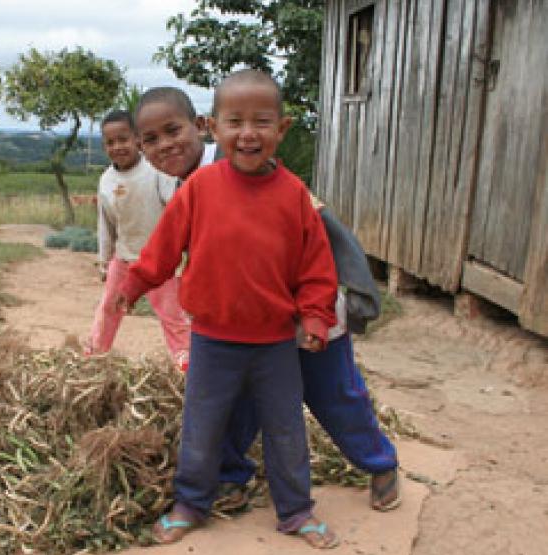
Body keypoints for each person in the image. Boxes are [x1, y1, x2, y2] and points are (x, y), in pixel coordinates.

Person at [133, 84, 400, 514]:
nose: (166, 145)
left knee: (331, 391)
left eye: (173, 131)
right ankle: (232, 478)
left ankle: (380, 464)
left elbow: (321, 223)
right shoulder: (192, 183)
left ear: (201, 127)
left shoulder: (245, 160)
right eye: (151, 139)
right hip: (245, 324)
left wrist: (359, 290)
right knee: (237, 400)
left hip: (303, 309)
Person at [119, 69, 340, 548]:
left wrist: (317, 316)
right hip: (213, 341)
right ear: (212, 128)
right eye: (234, 121)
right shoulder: (198, 190)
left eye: (262, 121)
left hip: (276, 344)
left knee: (285, 431)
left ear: (281, 129)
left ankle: (296, 510)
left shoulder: (294, 195)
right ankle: (191, 503)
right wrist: (133, 282)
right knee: (201, 428)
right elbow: (163, 248)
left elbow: (317, 265)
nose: (247, 133)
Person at [85, 110, 190, 369]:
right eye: (110, 142)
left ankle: (185, 361)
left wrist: (181, 253)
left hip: (160, 263)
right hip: (123, 258)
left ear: (138, 140)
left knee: (172, 315)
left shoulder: (157, 172)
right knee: (109, 307)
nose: (117, 147)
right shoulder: (106, 180)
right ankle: (95, 355)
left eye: (123, 139)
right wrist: (103, 260)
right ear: (104, 146)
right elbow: (106, 223)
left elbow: (177, 210)